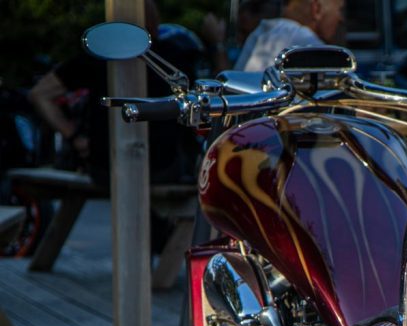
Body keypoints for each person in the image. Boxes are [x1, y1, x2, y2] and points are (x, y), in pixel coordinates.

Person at [27, 0, 201, 188]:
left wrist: (74, 137)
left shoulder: (99, 55)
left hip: (110, 169)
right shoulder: (173, 57)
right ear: (152, 21)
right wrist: (74, 136)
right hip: (156, 169)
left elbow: (40, 94)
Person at [234, 0, 344, 72]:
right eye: (340, 9)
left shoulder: (264, 32)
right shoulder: (306, 42)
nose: (341, 18)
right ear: (316, 10)